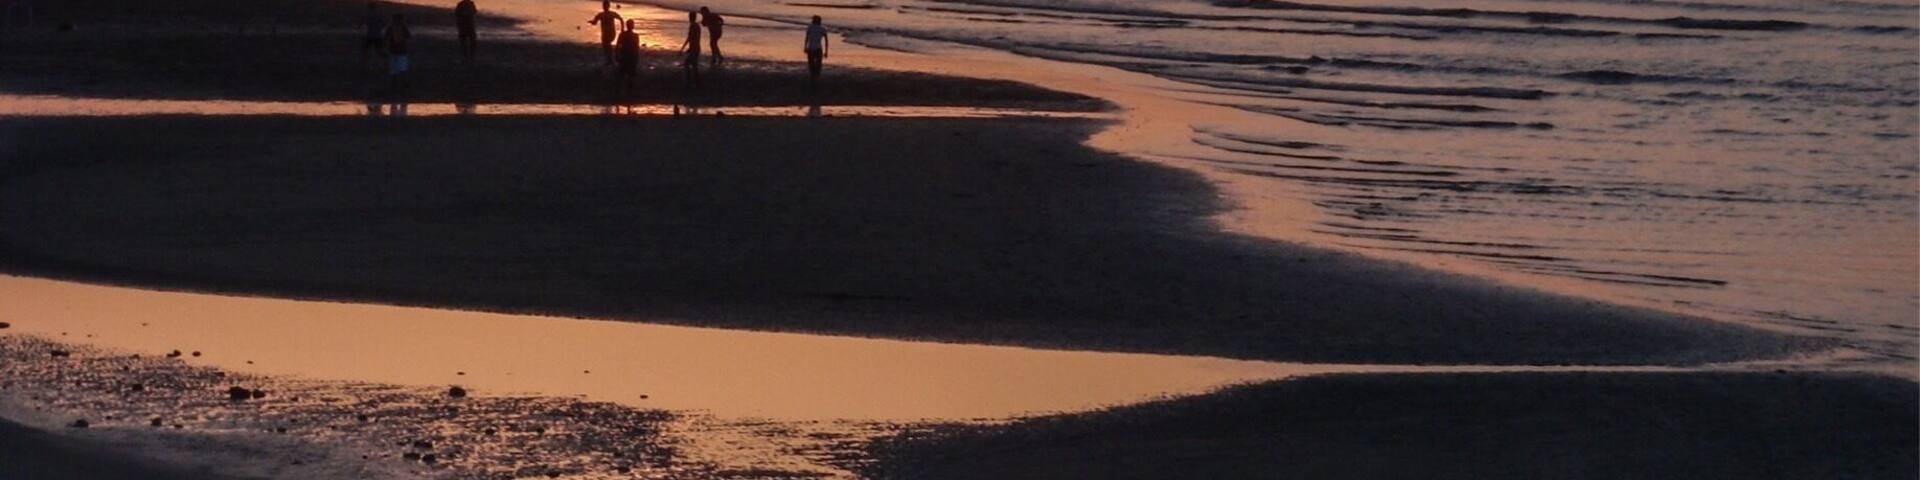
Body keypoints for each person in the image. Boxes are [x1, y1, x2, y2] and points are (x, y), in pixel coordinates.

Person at [587, 0, 623, 66]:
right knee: (605, 47)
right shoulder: (600, 15)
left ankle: (611, 60)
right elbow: (595, 22)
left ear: (608, 6)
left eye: (606, 5)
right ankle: (609, 60)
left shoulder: (612, 14)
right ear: (603, 6)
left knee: (607, 45)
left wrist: (622, 29)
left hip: (611, 34)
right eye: (604, 6)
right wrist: (591, 22)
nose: (605, 7)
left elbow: (621, 19)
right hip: (604, 34)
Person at [385, 14, 412, 93]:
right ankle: (403, 84)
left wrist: (386, 48)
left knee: (393, 70)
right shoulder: (403, 27)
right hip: (402, 51)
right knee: (402, 69)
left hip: (393, 51)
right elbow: (409, 38)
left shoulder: (390, 28)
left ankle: (394, 85)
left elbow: (386, 38)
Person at [677, 11, 702, 89]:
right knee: (694, 66)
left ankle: (689, 83)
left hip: (694, 48)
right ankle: (696, 83)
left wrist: (683, 48)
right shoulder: (697, 26)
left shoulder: (693, 26)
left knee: (687, 64)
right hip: (697, 47)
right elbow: (695, 38)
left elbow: (690, 38)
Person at [615, 20, 641, 92]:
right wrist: (617, 55)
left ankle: (626, 90)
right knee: (625, 75)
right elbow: (618, 46)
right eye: (631, 24)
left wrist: (617, 55)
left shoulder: (633, 35)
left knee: (627, 75)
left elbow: (636, 48)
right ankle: (626, 90)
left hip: (628, 57)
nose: (632, 26)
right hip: (627, 57)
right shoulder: (626, 35)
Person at [804, 16, 828, 90]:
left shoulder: (810, 27)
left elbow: (807, 38)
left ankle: (813, 78)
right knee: (818, 65)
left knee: (812, 64)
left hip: (811, 48)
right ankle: (816, 79)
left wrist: (805, 47)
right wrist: (826, 51)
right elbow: (826, 40)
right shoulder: (822, 29)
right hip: (817, 49)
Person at [361, 2, 386, 67]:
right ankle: (382, 62)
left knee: (367, 50)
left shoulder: (367, 14)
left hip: (370, 35)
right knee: (378, 50)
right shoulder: (379, 14)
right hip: (378, 34)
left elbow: (363, 23)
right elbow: (383, 23)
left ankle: (366, 63)